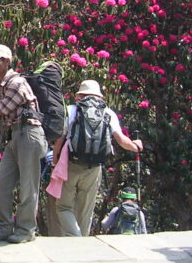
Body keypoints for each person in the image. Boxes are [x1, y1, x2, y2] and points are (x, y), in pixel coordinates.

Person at [0, 44, 47, 243]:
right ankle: (4, 228)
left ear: (6, 62)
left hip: (29, 134)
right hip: (15, 136)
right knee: (1, 185)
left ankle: (26, 230)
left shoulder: (16, 83)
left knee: (28, 186)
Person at [54, 80, 142, 237]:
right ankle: (82, 245)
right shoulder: (108, 113)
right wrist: (136, 146)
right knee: (86, 210)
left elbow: (60, 139)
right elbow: (121, 140)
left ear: (79, 96)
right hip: (94, 167)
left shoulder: (71, 110)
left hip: (72, 164)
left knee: (63, 207)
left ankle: (75, 238)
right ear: (99, 96)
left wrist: (55, 160)